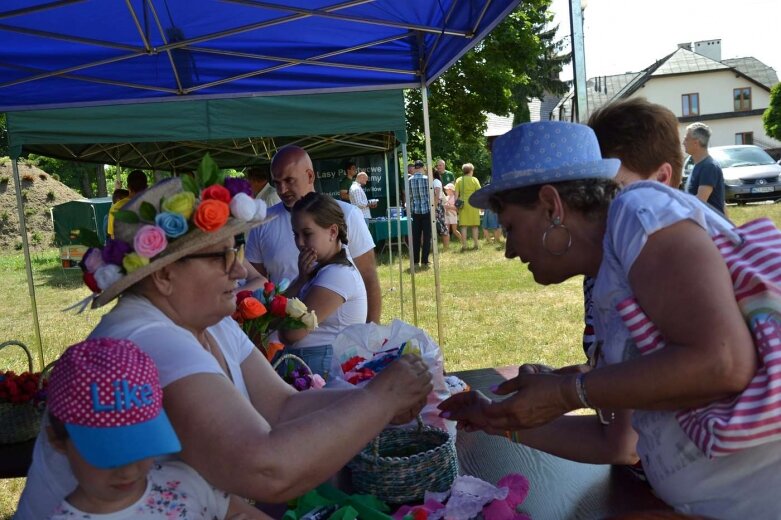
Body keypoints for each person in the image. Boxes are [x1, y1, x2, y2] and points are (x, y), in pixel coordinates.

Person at [17, 171, 433, 519]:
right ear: (164, 276)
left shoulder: (209, 321)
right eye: (220, 255)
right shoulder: (147, 338)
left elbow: (282, 406)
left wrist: (371, 399)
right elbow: (266, 471)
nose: (239, 268)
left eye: (235, 250)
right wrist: (379, 400)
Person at [438, 121, 780, 517]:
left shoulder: (639, 213)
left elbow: (723, 363)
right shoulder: (607, 282)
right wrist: (499, 418)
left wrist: (571, 391)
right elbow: (618, 443)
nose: (509, 250)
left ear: (552, 205)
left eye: (511, 226)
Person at [44, 338, 268, 519]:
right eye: (109, 455)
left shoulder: (187, 483)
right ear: (56, 439)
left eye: (142, 446)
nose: (129, 471)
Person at [581, 97, 684, 356]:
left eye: (613, 189)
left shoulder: (674, 261)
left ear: (661, 179)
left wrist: (572, 390)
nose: (598, 205)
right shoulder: (609, 258)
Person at [245, 146, 382, 323]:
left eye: (289, 180)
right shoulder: (262, 222)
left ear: (310, 176)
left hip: (343, 340)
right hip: (284, 339)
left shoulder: (347, 214)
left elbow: (368, 277)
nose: (282, 190)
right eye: (277, 182)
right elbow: (257, 285)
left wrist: (371, 334)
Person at [281, 193, 368, 377]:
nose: (300, 242)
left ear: (333, 232)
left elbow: (291, 333)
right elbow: (277, 317)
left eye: (307, 233)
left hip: (322, 369)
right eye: (296, 235)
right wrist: (301, 280)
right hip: (313, 365)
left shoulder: (337, 275)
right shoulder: (324, 271)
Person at [684, 122, 725, 214]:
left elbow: (700, 201)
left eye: (686, 139)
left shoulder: (709, 167)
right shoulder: (699, 165)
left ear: (696, 142)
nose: (683, 143)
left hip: (710, 226)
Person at [107, 170, 148, 239]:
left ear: (128, 187)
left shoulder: (115, 208)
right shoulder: (152, 205)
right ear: (147, 187)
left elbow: (113, 237)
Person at [408, 159, 432, 270]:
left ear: (415, 168)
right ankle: (425, 260)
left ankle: (415, 260)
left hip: (415, 212)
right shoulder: (428, 179)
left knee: (415, 238)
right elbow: (430, 196)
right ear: (422, 168)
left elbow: (409, 197)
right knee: (427, 237)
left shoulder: (409, 180)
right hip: (427, 211)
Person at [455, 163, 481, 251]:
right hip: (473, 203)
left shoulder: (459, 180)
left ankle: (464, 245)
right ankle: (476, 244)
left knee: (463, 226)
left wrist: (456, 206)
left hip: (463, 204)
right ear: (471, 171)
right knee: (474, 226)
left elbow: (456, 195)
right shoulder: (475, 180)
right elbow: (479, 192)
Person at [442, 183, 462, 251]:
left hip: (453, 216)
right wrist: (445, 207)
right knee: (446, 231)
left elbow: (457, 209)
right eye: (446, 189)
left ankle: (462, 241)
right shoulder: (446, 197)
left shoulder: (455, 198)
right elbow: (444, 206)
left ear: (451, 190)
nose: (446, 190)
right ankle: (446, 246)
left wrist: (448, 207)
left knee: (454, 230)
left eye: (447, 189)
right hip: (446, 216)